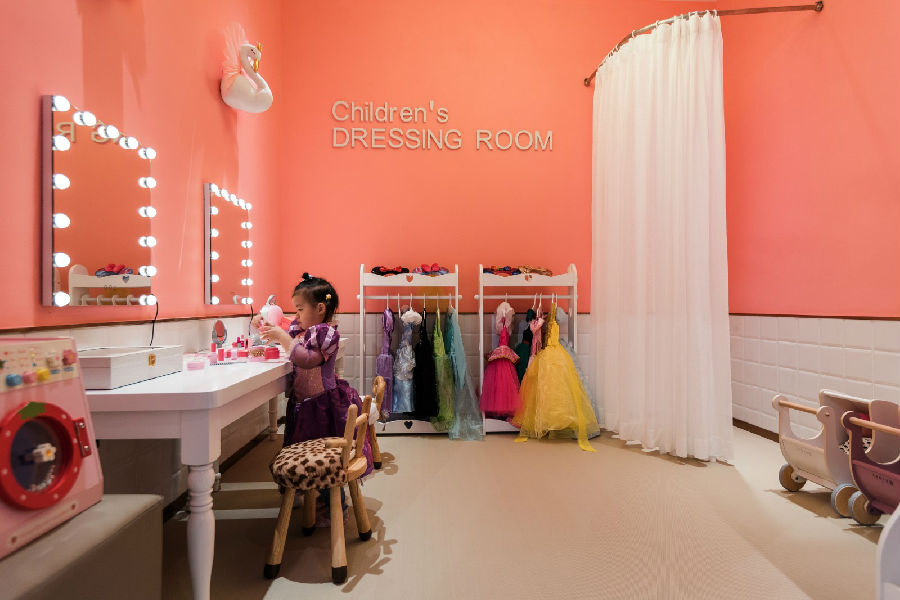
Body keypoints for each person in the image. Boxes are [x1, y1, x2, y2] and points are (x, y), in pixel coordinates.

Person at [258, 273, 372, 524]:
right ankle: (308, 496)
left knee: (327, 458)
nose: (296, 315)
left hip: (322, 406)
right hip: (304, 405)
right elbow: (287, 329)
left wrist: (283, 338)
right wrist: (265, 324)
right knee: (302, 446)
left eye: (300, 309)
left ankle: (334, 507)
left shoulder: (326, 334)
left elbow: (307, 360)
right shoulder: (304, 331)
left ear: (320, 309)